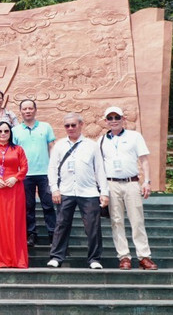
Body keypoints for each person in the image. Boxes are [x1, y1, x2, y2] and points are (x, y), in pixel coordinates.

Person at [47, 113, 110, 269]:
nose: (70, 128)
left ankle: (94, 259)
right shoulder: (59, 145)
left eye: (73, 125)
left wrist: (104, 192)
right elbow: (52, 169)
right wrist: (54, 189)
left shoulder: (91, 145)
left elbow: (100, 170)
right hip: (66, 191)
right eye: (67, 126)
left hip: (88, 192)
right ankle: (56, 257)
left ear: (81, 125)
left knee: (93, 226)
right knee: (61, 224)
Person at [99, 106, 158, 270]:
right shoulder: (102, 140)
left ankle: (144, 256)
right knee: (116, 221)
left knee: (137, 220)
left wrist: (147, 181)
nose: (113, 121)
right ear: (106, 121)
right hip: (111, 183)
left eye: (116, 117)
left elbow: (144, 160)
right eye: (110, 118)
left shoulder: (134, 137)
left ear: (123, 118)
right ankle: (124, 256)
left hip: (131, 182)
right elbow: (98, 165)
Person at [12, 99, 56, 247]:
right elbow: (14, 154)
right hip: (25, 174)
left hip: (45, 173)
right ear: (21, 111)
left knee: (48, 205)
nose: (27, 111)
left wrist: (53, 169)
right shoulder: (15, 130)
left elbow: (51, 147)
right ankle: (31, 234)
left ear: (35, 110)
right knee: (28, 206)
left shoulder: (46, 127)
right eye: (24, 109)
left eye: (30, 108)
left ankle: (53, 235)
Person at [0, 121, 28, 268]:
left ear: (10, 133)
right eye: (0, 131)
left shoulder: (18, 149)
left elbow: (24, 166)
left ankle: (17, 259)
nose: (3, 134)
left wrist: (15, 178)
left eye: (6, 131)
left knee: (15, 222)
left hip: (15, 189)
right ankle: (1, 259)